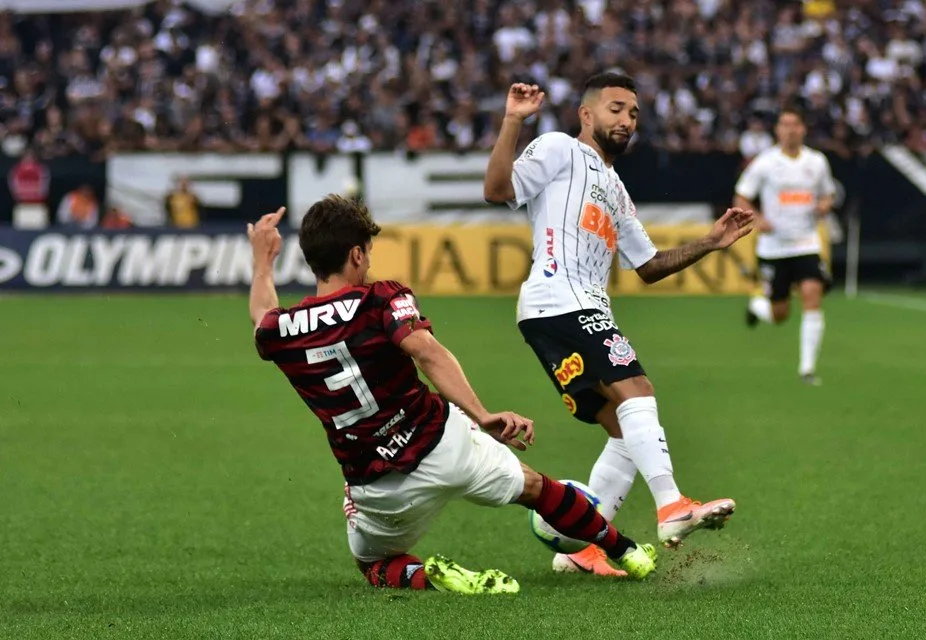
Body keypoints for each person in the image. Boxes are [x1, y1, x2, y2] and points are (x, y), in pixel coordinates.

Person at [248, 196, 658, 594]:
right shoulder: (379, 299)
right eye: (368, 253)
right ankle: (628, 551)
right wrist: (482, 414)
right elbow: (426, 351)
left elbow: (262, 316)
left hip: (377, 486)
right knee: (537, 489)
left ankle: (430, 576)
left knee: (372, 564)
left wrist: (263, 262)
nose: (369, 262)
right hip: (444, 443)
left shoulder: (281, 329)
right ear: (356, 254)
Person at [483, 73, 755, 576]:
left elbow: (648, 266)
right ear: (587, 115)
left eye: (633, 113)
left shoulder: (615, 188)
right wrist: (512, 122)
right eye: (615, 109)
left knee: (626, 432)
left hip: (576, 311)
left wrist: (710, 244)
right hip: (560, 302)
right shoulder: (559, 148)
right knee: (638, 391)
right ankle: (671, 506)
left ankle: (582, 549)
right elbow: (496, 188)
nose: (626, 120)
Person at [733, 107, 836, 386]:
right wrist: (758, 219)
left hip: (806, 243)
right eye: (785, 125)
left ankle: (807, 369)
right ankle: (758, 307)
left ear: (803, 129)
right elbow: (741, 197)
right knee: (780, 314)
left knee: (812, 296)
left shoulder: (817, 161)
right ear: (777, 130)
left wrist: (826, 204)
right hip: (773, 248)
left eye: (795, 124)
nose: (790, 130)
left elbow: (828, 193)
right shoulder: (765, 163)